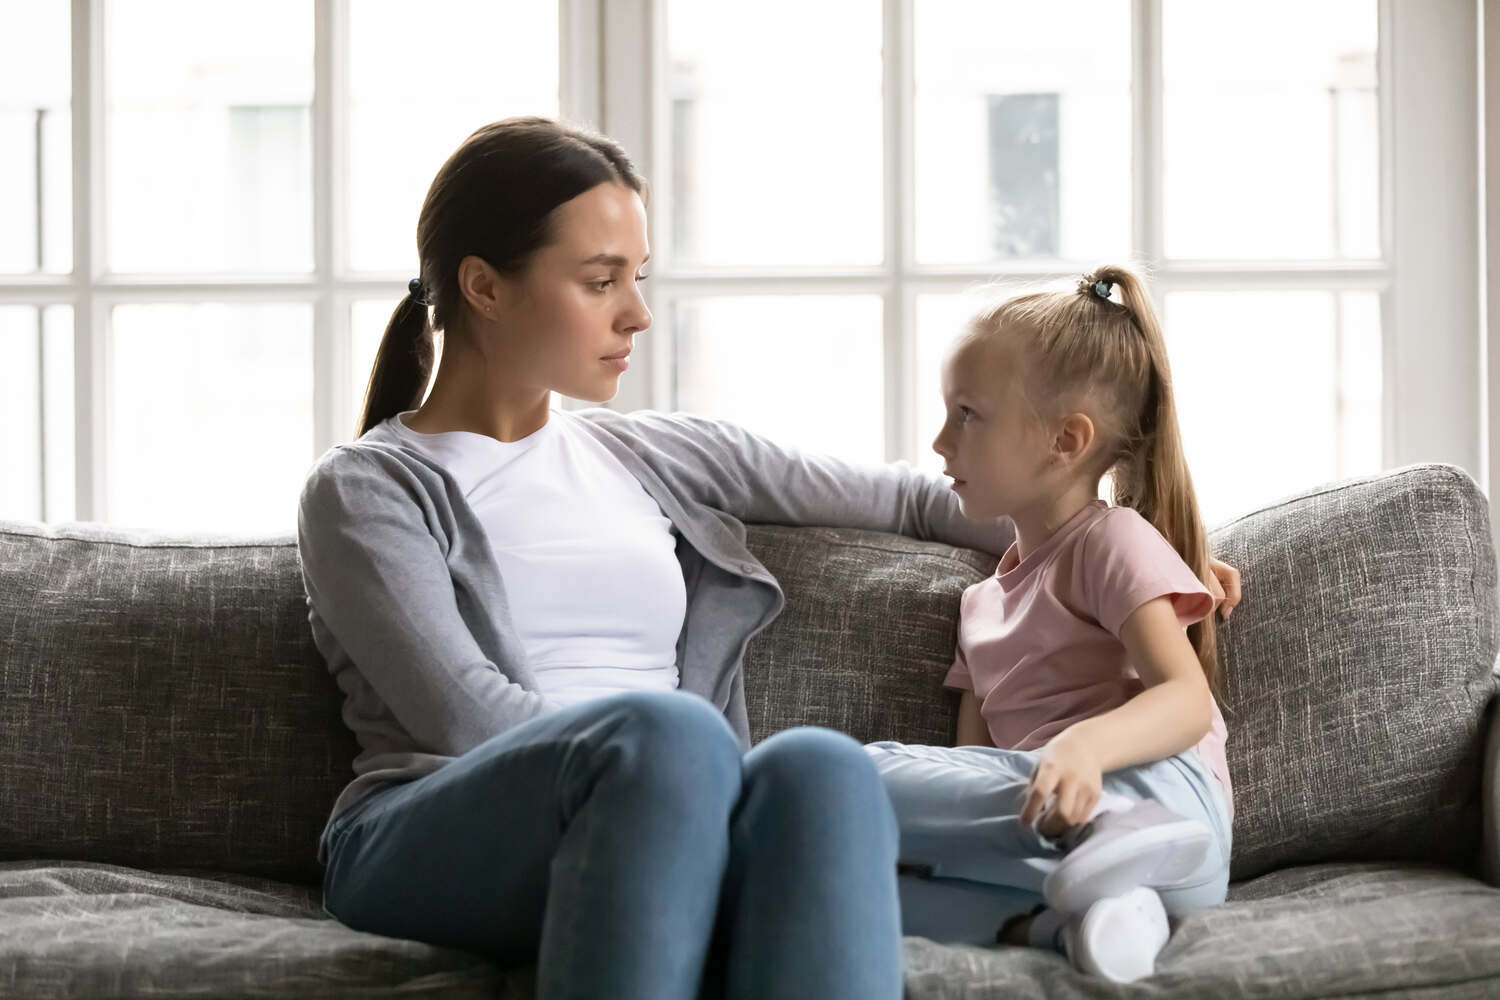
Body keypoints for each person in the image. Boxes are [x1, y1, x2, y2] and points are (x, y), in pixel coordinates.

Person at [297, 116, 1241, 998]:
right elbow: (465, 723)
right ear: (484, 286)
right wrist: (688, 779)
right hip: (434, 828)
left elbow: (924, 500)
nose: (638, 315)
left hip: (673, 797)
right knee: (678, 738)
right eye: (600, 281)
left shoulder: (650, 453)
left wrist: (1158, 553)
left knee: (819, 772)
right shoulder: (369, 490)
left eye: (641, 278)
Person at [866, 266, 1240, 984]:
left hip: (1166, 811)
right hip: (1062, 857)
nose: (941, 442)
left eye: (967, 414)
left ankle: (1111, 835)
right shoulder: (980, 605)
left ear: (1066, 440)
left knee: (842, 774)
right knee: (864, 881)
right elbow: (974, 773)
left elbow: (1187, 701)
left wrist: (1084, 752)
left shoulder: (1112, 540)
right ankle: (1080, 928)